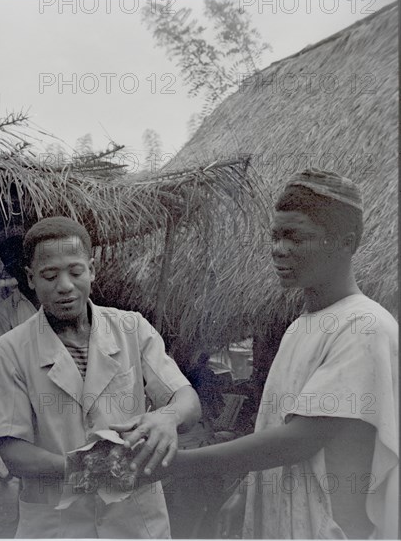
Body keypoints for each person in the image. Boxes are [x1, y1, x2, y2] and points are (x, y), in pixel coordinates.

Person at [138, 169, 398, 539]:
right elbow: (275, 428)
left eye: (296, 237)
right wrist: (246, 493)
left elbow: (299, 440)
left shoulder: (364, 326)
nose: (279, 249)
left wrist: (179, 463)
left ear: (346, 242)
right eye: (275, 236)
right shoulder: (300, 327)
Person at [0, 216, 201, 538]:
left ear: (92, 269)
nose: (65, 286)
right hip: (57, 524)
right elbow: (14, 453)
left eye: (76, 271)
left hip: (134, 521)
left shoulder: (131, 328)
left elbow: (187, 401)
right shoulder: (11, 349)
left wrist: (167, 417)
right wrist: (88, 468)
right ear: (30, 278)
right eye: (49, 275)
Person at [0, 226, 38, 341]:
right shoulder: (3, 313)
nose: (21, 267)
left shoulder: (56, 297)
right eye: (13, 263)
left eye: (23, 259)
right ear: (8, 269)